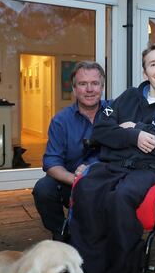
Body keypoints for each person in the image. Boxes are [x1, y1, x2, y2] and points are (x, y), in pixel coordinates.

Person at [70, 43, 155, 273]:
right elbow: (100, 130)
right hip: (113, 164)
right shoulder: (127, 97)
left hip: (152, 169)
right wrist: (132, 137)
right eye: (153, 64)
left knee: (122, 197)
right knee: (85, 188)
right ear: (145, 72)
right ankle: (92, 270)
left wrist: (135, 127)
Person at [32, 61, 107, 241]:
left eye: (95, 83)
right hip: (71, 181)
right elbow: (51, 162)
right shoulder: (61, 120)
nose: (89, 89)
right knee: (43, 189)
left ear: (102, 87)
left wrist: (93, 170)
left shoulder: (115, 112)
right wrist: (75, 179)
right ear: (74, 89)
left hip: (106, 179)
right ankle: (61, 233)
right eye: (82, 84)